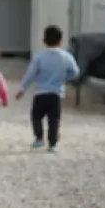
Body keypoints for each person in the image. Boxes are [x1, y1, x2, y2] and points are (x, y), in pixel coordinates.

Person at [15, 25, 79, 153]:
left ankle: (39, 137)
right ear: (61, 41)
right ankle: (53, 144)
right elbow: (75, 72)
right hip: (56, 94)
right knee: (54, 119)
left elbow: (30, 74)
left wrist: (22, 88)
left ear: (44, 41)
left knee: (36, 116)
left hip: (40, 93)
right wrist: (65, 77)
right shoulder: (66, 56)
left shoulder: (39, 57)